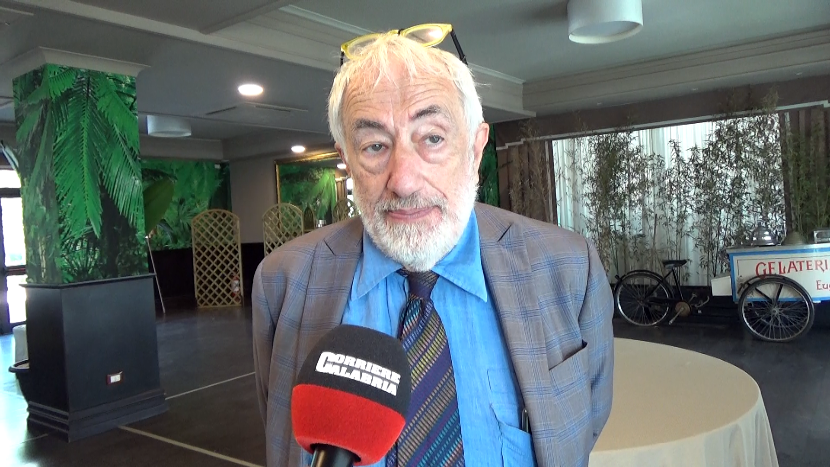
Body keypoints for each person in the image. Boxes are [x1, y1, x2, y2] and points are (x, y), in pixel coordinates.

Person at [253, 30, 614, 467]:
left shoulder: (568, 267)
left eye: (432, 138)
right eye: (374, 146)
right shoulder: (284, 282)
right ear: (346, 159)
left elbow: (583, 425)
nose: (404, 181)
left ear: (475, 149)